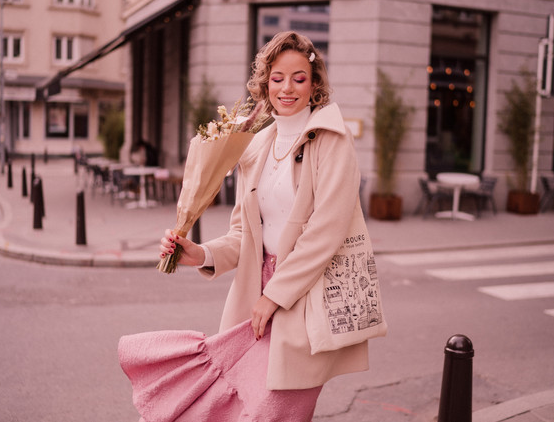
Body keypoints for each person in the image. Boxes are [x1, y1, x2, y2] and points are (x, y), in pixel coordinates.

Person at [119, 31, 372, 421]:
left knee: (276, 411)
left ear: (315, 83)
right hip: (256, 293)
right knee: (232, 405)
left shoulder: (332, 140)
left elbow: (328, 230)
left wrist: (276, 295)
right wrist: (201, 254)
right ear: (264, 82)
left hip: (302, 295)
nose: (287, 88)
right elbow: (244, 233)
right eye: (277, 78)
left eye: (299, 78)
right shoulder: (255, 146)